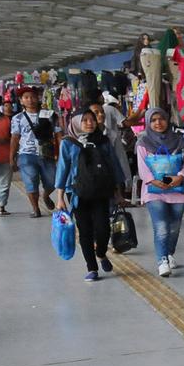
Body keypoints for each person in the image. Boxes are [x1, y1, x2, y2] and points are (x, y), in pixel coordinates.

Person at [56, 112, 125, 282]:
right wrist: (60, 198)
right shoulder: (68, 142)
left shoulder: (103, 141)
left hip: (101, 192)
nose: (90, 123)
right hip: (78, 195)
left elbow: (113, 166)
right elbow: (62, 169)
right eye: (85, 120)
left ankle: (101, 253)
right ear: (76, 123)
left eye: (92, 120)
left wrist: (118, 193)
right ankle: (92, 268)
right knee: (85, 232)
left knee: (103, 229)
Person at [135, 107, 184, 277]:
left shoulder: (180, 141)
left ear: (168, 120)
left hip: (178, 190)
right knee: (161, 226)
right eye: (153, 120)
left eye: (161, 119)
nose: (158, 123)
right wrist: (153, 181)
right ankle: (162, 261)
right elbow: (142, 167)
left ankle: (169, 254)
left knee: (174, 227)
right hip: (154, 191)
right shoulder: (143, 143)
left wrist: (181, 177)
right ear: (148, 122)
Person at [9, 87, 61, 217]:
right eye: (26, 97)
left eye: (32, 97)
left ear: (37, 98)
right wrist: (12, 157)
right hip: (26, 154)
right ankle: (35, 208)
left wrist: (61, 154)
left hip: (47, 154)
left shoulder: (50, 114)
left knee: (53, 181)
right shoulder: (17, 118)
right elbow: (15, 138)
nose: (30, 100)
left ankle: (46, 195)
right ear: (21, 101)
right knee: (30, 181)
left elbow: (58, 134)